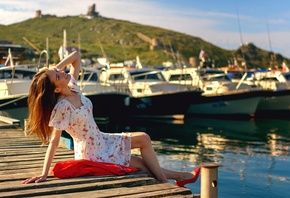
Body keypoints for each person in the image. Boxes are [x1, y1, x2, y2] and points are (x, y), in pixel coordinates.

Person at [22, 51, 200, 186]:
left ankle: (179, 178)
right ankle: (173, 180)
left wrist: (54, 68)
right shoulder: (62, 107)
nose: (63, 72)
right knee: (143, 157)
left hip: (101, 140)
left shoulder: (73, 87)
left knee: (144, 143)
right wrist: (44, 173)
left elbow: (76, 56)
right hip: (92, 153)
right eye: (58, 76)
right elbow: (54, 141)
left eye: (60, 71)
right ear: (56, 89)